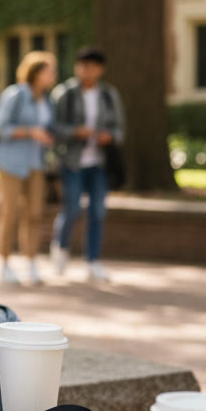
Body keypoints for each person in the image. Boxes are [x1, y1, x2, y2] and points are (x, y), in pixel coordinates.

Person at [50, 48, 125, 282]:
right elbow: (52, 128)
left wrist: (109, 136)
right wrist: (75, 132)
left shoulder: (109, 96)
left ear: (100, 69)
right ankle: (61, 247)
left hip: (99, 163)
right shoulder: (65, 94)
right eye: (82, 65)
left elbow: (120, 130)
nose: (86, 70)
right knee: (71, 209)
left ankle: (93, 260)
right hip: (72, 162)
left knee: (97, 212)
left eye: (92, 66)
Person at [0, 50, 58, 286]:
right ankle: (4, 263)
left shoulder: (47, 99)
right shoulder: (15, 94)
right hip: (11, 163)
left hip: (36, 163)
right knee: (9, 213)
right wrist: (31, 132)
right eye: (49, 71)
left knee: (35, 213)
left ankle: (31, 262)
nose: (53, 75)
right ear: (36, 73)